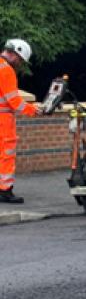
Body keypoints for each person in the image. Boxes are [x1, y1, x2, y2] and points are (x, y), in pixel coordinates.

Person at [0, 39, 39, 204]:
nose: (20, 64)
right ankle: (5, 190)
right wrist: (34, 110)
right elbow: (13, 101)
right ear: (15, 54)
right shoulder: (6, 70)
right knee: (6, 154)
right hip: (3, 120)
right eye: (21, 60)